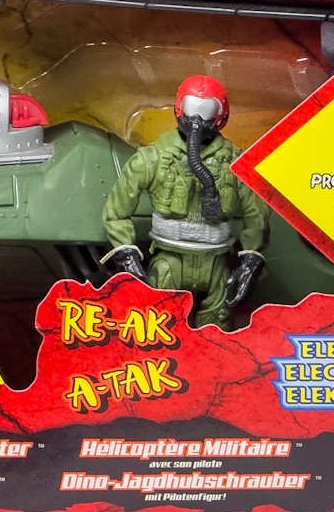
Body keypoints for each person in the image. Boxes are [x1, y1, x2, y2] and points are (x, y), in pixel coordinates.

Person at [102, 76, 269, 331]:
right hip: (169, 260)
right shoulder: (153, 158)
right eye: (192, 108)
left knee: (218, 331)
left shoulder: (234, 163)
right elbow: (116, 212)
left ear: (221, 115)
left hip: (216, 263)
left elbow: (256, 216)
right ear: (180, 109)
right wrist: (126, 256)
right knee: (160, 327)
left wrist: (250, 261)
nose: (197, 120)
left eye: (207, 110)